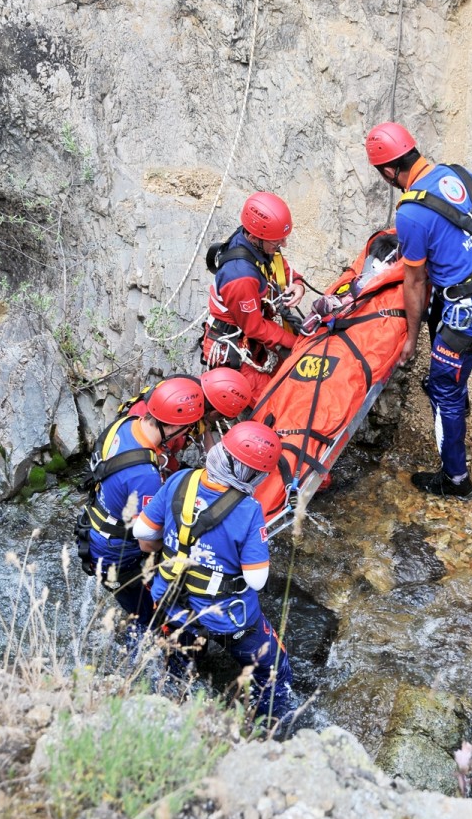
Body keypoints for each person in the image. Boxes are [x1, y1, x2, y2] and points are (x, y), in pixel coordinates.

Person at [365, 121, 472, 500]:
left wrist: (411, 339)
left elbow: (414, 283)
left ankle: (455, 480)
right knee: (441, 325)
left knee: (442, 388)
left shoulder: (411, 213)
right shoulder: (456, 173)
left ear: (388, 171)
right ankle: (455, 392)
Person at [133, 420, 293, 719]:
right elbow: (257, 580)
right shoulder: (248, 509)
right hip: (231, 618)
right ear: (254, 473)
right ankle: (273, 728)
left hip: (173, 604)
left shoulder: (180, 479)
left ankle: (174, 708)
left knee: (177, 668)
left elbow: (142, 530)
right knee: (274, 671)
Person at [74, 377, 205, 633]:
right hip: (116, 553)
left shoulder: (127, 423)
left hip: (94, 525)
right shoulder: (144, 474)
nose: (187, 434)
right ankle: (142, 661)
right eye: (186, 428)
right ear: (172, 427)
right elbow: (147, 541)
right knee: (147, 619)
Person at [203, 191, 305, 403]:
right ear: (254, 237)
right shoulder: (240, 276)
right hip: (232, 349)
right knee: (273, 405)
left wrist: (297, 283)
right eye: (278, 241)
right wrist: (295, 342)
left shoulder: (257, 243)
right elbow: (255, 327)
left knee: (287, 380)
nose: (284, 244)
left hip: (249, 337)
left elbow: (275, 263)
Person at [121, 368, 254, 470]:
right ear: (213, 411)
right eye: (221, 416)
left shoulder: (196, 394)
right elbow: (144, 460)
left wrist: (216, 462)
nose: (219, 420)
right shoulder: (164, 418)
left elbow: (204, 430)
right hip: (137, 459)